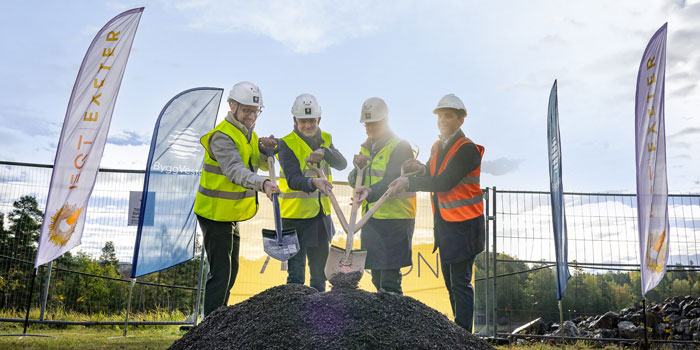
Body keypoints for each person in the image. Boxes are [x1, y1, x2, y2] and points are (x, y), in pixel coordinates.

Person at [389, 94, 485, 331]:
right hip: (446, 225)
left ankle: (464, 335)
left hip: (466, 226)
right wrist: (418, 169)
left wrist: (409, 184)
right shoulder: (437, 146)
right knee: (451, 282)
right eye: (440, 115)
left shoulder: (467, 149)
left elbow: (444, 182)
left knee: (460, 283)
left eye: (448, 116)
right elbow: (431, 175)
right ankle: (458, 333)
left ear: (460, 121)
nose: (442, 120)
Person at [193, 81, 280, 317]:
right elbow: (235, 171)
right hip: (214, 212)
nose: (251, 116)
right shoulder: (222, 137)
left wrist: (268, 151)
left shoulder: (249, 134)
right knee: (221, 273)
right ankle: (210, 326)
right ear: (232, 106)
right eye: (246, 110)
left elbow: (258, 162)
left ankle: (221, 320)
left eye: (255, 111)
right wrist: (263, 184)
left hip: (230, 213)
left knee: (232, 271)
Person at [277, 93, 347, 292]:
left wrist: (325, 151)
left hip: (320, 218)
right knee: (296, 277)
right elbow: (292, 179)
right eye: (303, 121)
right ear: (295, 120)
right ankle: (294, 319)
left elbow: (341, 164)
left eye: (311, 121)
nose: (307, 125)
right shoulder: (286, 143)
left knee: (319, 276)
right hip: (294, 217)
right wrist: (314, 182)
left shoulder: (326, 139)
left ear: (319, 119)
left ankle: (318, 319)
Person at [351, 97, 416, 294]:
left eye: (374, 124)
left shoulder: (400, 146)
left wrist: (369, 192)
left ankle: (396, 320)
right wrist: (356, 171)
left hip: (396, 220)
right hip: (372, 218)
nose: (370, 128)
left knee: (389, 283)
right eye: (367, 124)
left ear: (385, 120)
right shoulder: (366, 147)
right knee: (377, 278)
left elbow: (391, 178)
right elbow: (355, 179)